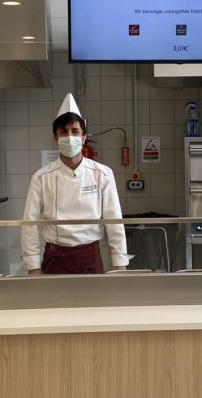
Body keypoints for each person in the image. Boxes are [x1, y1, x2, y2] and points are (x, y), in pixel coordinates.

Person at [20, 93, 129, 274]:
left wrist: (119, 262)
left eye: (75, 131)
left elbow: (114, 220)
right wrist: (33, 266)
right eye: (63, 132)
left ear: (84, 137)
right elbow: (29, 224)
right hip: (55, 256)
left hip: (89, 255)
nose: (69, 137)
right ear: (56, 139)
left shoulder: (102, 174)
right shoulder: (42, 177)